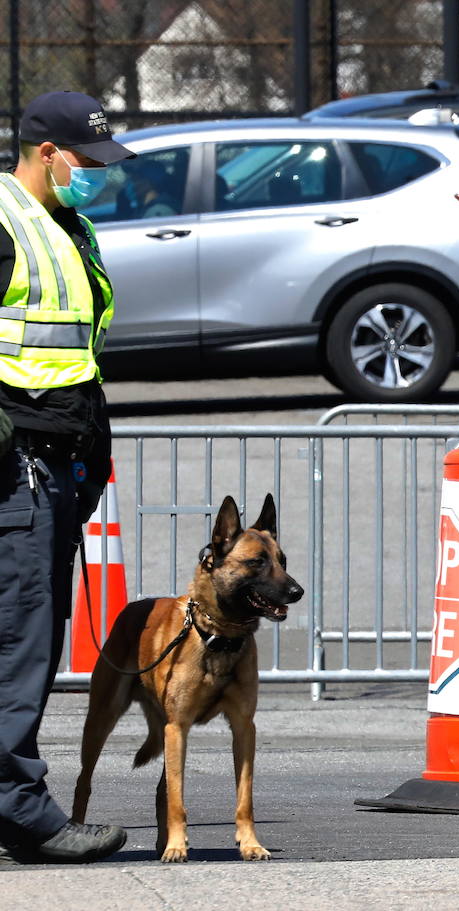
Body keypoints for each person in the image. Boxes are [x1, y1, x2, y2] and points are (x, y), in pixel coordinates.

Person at [0, 91, 130, 865]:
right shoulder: (9, 221)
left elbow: (75, 355)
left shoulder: (67, 228)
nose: (98, 177)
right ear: (46, 152)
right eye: (87, 161)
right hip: (16, 468)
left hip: (52, 461)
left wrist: (91, 448)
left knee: (22, 637)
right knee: (21, 639)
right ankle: (21, 809)